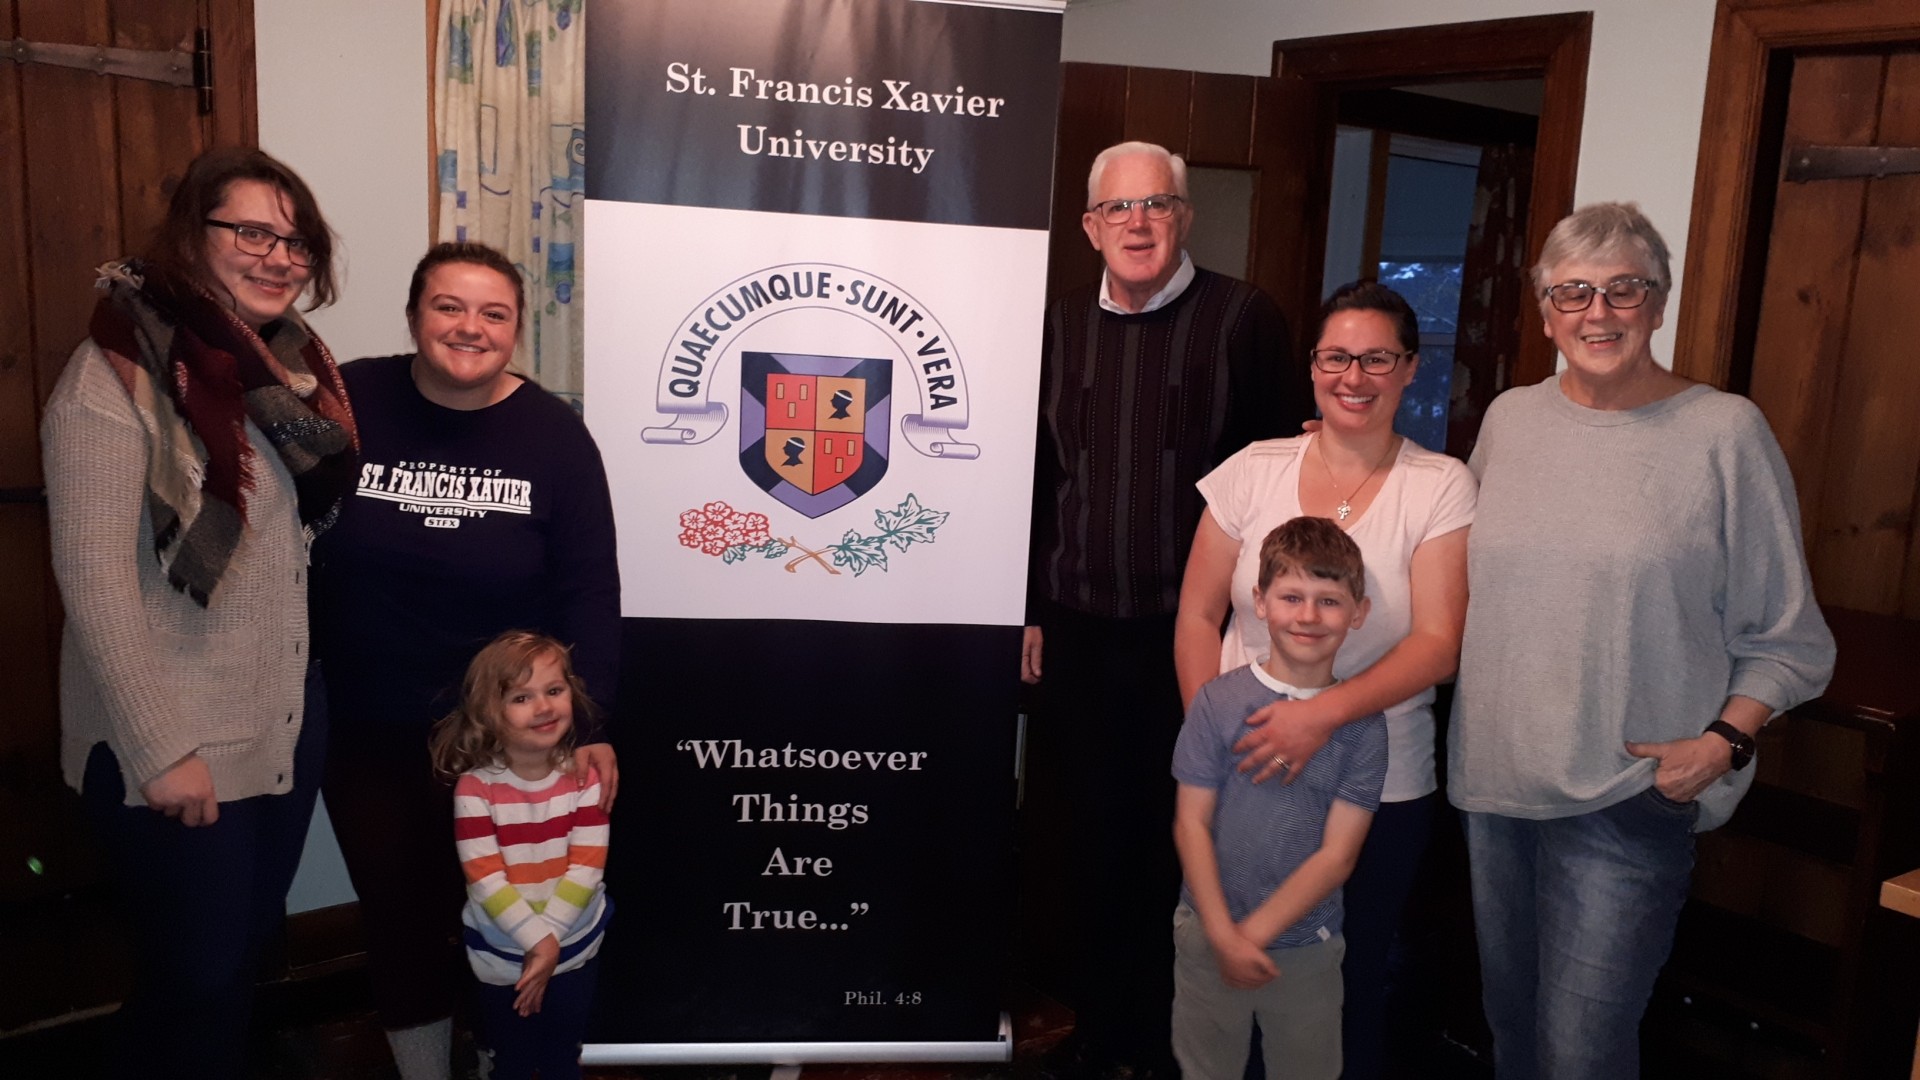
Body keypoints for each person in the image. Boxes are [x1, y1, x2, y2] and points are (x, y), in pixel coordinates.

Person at [1449, 202, 1835, 1079]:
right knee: (1512, 1038)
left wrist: (1723, 743)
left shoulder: (1724, 433)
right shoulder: (1511, 418)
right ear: (1545, 311)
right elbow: (1451, 562)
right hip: (1496, 790)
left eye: (1625, 289)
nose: (1599, 312)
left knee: (1582, 1058)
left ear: (1658, 306)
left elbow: (1791, 638)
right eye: (1574, 292)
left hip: (1625, 798)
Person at [41, 146, 357, 1079]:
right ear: (191, 235)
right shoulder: (114, 378)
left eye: (296, 241)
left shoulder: (289, 378)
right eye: (252, 232)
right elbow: (93, 580)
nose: (279, 257)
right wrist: (156, 749)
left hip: (279, 726)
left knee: (226, 967)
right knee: (202, 974)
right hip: (174, 740)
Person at [1023, 140, 1311, 1076]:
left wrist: (1261, 637)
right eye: (1118, 210)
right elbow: (1035, 480)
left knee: (1182, 836)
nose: (1137, 224)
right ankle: (1101, 1032)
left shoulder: (1244, 319)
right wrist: (1028, 608)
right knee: (1086, 840)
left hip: (1193, 638)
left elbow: (1281, 482)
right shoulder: (1056, 326)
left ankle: (1169, 1042)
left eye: (1156, 206)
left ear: (1184, 218)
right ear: (1090, 227)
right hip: (1073, 624)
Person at [310, 242, 621, 1080]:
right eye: (449, 306)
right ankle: (422, 1068)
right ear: (415, 316)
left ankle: (495, 1051)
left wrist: (588, 722)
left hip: (505, 733)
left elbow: (591, 587)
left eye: (494, 313)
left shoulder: (554, 435)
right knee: (398, 907)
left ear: (517, 330)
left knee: (499, 903)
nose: (469, 327)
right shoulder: (348, 398)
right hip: (367, 720)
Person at [1175, 280, 1473, 1078]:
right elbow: (1200, 616)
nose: (1355, 376)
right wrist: (1215, 736)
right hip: (1242, 773)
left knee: (1342, 984)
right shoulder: (1252, 470)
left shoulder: (1439, 484)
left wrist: (1317, 718)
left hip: (1377, 783)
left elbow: (1439, 643)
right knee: (1223, 975)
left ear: (1410, 369)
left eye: (1378, 358)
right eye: (1337, 356)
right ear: (1313, 367)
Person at [1171, 517, 1387, 1080]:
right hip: (1205, 932)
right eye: (1292, 596)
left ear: (1358, 613)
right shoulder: (1217, 703)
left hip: (1306, 947)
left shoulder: (1364, 726)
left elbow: (1338, 856)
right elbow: (1190, 823)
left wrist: (1253, 938)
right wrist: (1221, 934)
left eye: (1329, 600)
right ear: (1260, 602)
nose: (1309, 616)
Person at [432, 631, 612, 1080]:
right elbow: (485, 878)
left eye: (554, 690)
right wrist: (539, 942)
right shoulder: (475, 790)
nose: (544, 706)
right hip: (501, 959)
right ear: (488, 714)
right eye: (521, 697)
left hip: (573, 953)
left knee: (561, 1060)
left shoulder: (585, 780)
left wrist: (548, 945)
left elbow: (586, 869)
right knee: (510, 1061)